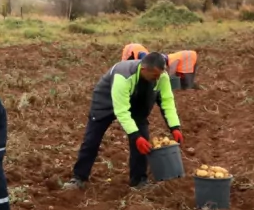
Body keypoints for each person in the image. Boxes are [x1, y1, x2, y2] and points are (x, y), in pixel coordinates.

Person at [63, 52, 184, 190]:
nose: (158, 78)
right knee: (92, 139)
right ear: (144, 69)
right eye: (155, 75)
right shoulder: (123, 76)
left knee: (143, 138)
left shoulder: (161, 76)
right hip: (106, 100)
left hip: (137, 101)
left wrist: (174, 127)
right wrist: (135, 136)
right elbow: (121, 111)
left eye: (160, 75)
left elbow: (167, 101)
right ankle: (79, 178)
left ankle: (138, 180)